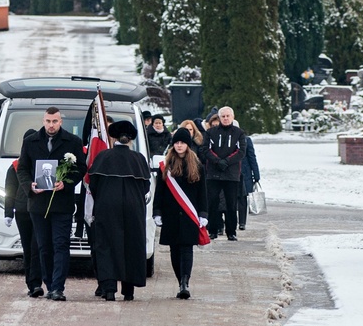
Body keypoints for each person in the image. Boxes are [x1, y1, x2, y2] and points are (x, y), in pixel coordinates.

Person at [17, 107, 87, 302]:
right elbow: (22, 169)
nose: (51, 125)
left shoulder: (72, 142)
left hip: (62, 204)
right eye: (48, 121)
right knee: (44, 246)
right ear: (43, 120)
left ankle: (58, 287)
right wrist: (29, 185)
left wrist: (66, 183)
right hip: (38, 204)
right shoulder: (31, 142)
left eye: (54, 121)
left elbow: (81, 168)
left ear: (60, 122)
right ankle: (49, 284)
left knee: (61, 245)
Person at [87, 120, 151, 301]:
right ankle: (128, 291)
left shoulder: (103, 157)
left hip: (107, 206)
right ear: (130, 139)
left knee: (107, 244)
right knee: (131, 245)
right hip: (134, 208)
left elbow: (94, 185)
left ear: (113, 137)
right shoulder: (139, 159)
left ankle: (108, 289)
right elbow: (146, 187)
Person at [153, 127, 208, 299]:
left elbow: (202, 192)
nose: (179, 146)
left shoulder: (198, 166)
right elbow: (159, 192)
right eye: (176, 142)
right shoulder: (165, 166)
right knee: (174, 250)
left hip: (189, 215)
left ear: (188, 145)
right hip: (170, 215)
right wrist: (157, 212)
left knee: (186, 249)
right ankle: (180, 281)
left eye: (182, 143)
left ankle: (185, 282)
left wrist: (203, 213)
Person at [4, 129, 43, 298]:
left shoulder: (41, 164)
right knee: (28, 248)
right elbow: (9, 190)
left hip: (39, 209)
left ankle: (37, 282)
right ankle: (32, 284)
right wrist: (8, 212)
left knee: (37, 247)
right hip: (22, 210)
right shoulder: (15, 166)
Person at [204, 106, 246, 241]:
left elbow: (241, 151)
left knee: (231, 204)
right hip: (213, 173)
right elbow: (206, 149)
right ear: (220, 118)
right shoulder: (211, 132)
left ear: (233, 117)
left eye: (228, 116)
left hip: (231, 174)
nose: (226, 118)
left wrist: (227, 161)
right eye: (223, 116)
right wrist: (217, 161)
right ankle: (213, 230)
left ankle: (231, 231)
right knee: (212, 202)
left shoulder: (239, 133)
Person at [237, 134, 260, 231]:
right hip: (230, 173)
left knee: (242, 198)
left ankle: (242, 222)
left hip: (244, 174)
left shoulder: (246, 140)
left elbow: (252, 157)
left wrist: (256, 174)